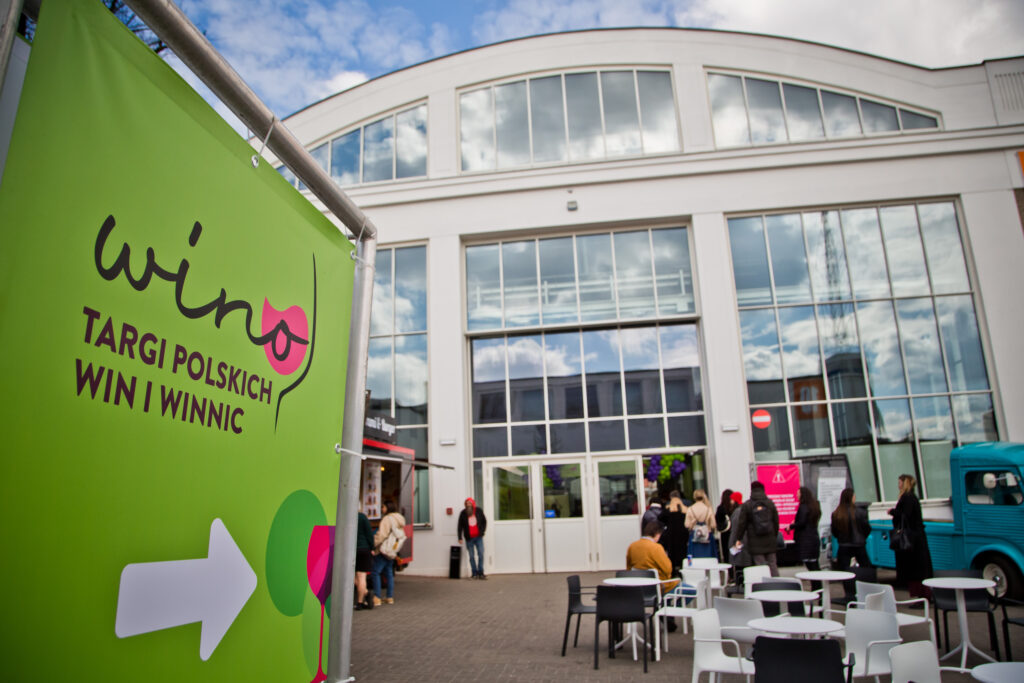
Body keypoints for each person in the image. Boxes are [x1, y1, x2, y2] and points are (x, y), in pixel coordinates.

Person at [889, 474, 933, 598]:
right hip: (916, 537)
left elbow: (905, 515)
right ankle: (923, 595)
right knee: (918, 568)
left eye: (899, 482)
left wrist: (892, 512)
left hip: (912, 539)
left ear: (904, 483)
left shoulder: (907, 498)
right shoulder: (912, 497)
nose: (898, 485)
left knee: (915, 568)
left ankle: (921, 596)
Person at [830, 487, 872, 601]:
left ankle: (849, 594)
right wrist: (863, 537)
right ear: (851, 497)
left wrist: (841, 538)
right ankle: (866, 592)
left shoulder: (836, 513)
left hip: (844, 545)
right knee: (866, 568)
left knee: (844, 571)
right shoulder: (860, 512)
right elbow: (867, 528)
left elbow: (834, 531)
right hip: (859, 544)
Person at [732, 481, 780, 576]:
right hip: (770, 540)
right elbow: (776, 522)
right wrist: (774, 535)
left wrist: (738, 538)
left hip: (755, 541)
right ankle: (777, 583)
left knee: (760, 566)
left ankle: (763, 583)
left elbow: (742, 524)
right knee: (772, 564)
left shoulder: (747, 505)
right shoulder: (770, 503)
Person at [626, 521, 679, 592]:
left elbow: (629, 568)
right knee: (690, 589)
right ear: (657, 534)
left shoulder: (632, 546)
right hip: (659, 586)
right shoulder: (656, 548)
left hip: (639, 586)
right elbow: (668, 569)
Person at [370, 500, 406, 605]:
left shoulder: (387, 519)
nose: (382, 509)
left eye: (383, 507)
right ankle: (389, 597)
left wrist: (373, 544)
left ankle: (377, 597)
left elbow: (382, 535)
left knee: (375, 572)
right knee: (389, 573)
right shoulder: (399, 519)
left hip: (383, 549)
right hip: (392, 550)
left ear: (388, 507)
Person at [789, 486, 822, 591]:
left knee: (811, 566)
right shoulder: (814, 506)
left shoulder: (803, 507)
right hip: (813, 538)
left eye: (798, 493)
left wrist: (791, 526)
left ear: (803, 494)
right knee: (814, 565)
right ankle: (818, 587)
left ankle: (817, 588)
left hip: (806, 541)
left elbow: (802, 522)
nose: (797, 495)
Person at [457, 497, 488, 579]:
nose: (468, 505)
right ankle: (474, 573)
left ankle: (481, 573)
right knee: (471, 556)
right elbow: (460, 526)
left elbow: (484, 521)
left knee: (481, 554)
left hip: (478, 537)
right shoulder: (463, 513)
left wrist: (482, 531)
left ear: (473, 503)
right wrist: (460, 537)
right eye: (467, 503)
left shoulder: (479, 511)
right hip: (469, 538)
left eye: (469, 503)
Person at [658, 490, 689, 569]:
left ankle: (673, 570)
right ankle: (682, 568)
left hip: (671, 534)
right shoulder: (685, 510)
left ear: (671, 498)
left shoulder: (668, 510)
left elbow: (660, 518)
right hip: (683, 534)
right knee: (683, 552)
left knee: (672, 553)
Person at [727, 491, 751, 588]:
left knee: (739, 563)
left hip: (739, 542)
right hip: (743, 542)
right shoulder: (742, 510)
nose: (730, 502)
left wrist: (733, 543)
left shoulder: (737, 512)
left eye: (732, 500)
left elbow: (736, 529)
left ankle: (740, 584)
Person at [685, 489, 717, 558]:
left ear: (694, 497)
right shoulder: (708, 509)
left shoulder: (690, 509)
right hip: (707, 536)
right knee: (709, 558)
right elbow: (713, 525)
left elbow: (687, 525)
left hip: (695, 536)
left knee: (695, 558)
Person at [354, 505, 374, 610]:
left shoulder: (344, 516)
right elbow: (369, 534)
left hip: (349, 551)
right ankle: (360, 602)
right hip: (363, 549)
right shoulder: (362, 517)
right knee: (361, 576)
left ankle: (365, 594)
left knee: (350, 576)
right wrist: (372, 547)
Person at [715, 489, 735, 564]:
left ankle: (729, 568)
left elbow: (717, 521)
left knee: (726, 553)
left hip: (725, 533)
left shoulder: (720, 508)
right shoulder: (734, 508)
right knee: (735, 551)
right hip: (734, 532)